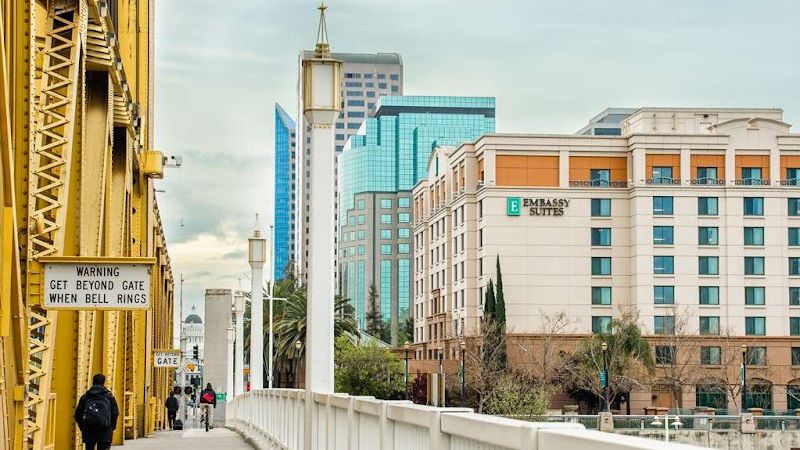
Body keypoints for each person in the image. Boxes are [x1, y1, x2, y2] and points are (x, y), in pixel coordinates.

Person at [74, 373, 119, 450]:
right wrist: (111, 427)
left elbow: (78, 415)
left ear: (93, 382)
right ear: (103, 382)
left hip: (89, 430)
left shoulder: (86, 397)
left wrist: (83, 427)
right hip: (105, 431)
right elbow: (115, 413)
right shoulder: (109, 396)